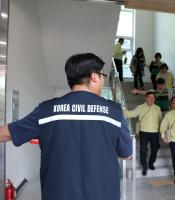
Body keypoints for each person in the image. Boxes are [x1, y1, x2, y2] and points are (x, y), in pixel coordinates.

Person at [0, 53, 133, 200]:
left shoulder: (46, 110)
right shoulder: (114, 112)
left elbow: (6, 133)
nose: (103, 80)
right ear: (95, 76)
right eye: (103, 75)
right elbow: (126, 153)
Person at [125, 91, 162, 176]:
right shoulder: (140, 107)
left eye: (153, 98)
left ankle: (151, 162)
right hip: (144, 132)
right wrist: (121, 111)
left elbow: (160, 120)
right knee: (143, 150)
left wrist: (161, 131)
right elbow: (132, 114)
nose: (151, 99)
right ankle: (144, 166)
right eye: (150, 97)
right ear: (146, 98)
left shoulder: (157, 108)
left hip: (154, 133)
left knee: (155, 149)